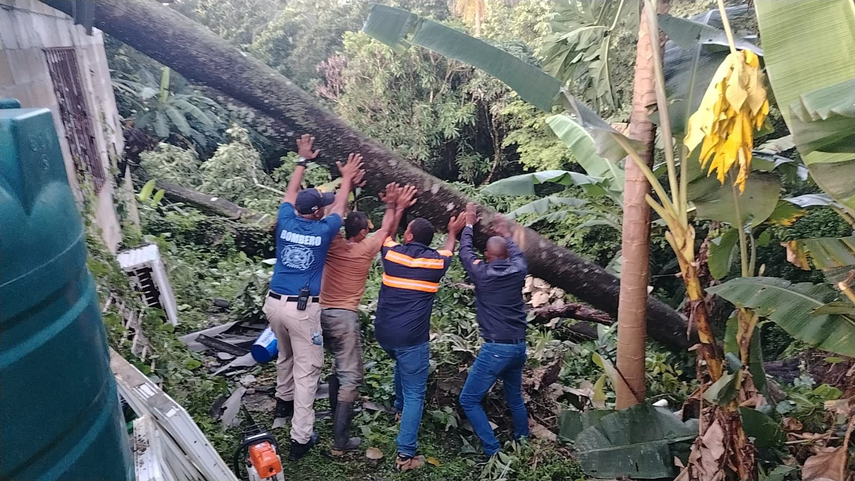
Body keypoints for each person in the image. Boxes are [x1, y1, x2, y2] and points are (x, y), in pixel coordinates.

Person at [263, 133, 363, 460]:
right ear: (319, 211)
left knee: (286, 356)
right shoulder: (323, 232)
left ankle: (283, 404)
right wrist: (347, 178)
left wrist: (301, 160)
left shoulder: (285, 219)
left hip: (274, 304)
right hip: (302, 310)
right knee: (308, 371)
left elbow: (291, 192)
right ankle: (300, 439)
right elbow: (341, 206)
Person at [319, 182, 418, 456]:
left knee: (336, 367)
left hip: (319, 314)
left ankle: (331, 416)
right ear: (363, 232)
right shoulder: (365, 249)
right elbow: (387, 229)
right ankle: (340, 442)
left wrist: (346, 183)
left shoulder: (333, 243)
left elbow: (332, 215)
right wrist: (394, 205)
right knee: (351, 377)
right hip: (343, 317)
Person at [374, 213, 467, 471]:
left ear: (410, 236)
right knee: (416, 391)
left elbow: (386, 234)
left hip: (384, 335)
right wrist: (452, 232)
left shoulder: (392, 256)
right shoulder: (436, 264)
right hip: (411, 340)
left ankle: (400, 409)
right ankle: (405, 456)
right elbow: (449, 250)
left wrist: (397, 207)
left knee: (401, 364)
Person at [457, 203, 530, 458]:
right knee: (515, 398)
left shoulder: (482, 273)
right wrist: (506, 233)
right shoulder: (518, 269)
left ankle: (493, 449)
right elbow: (519, 256)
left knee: (468, 400)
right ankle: (524, 442)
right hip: (519, 346)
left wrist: (468, 224)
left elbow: (465, 252)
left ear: (487, 255)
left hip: (496, 348)